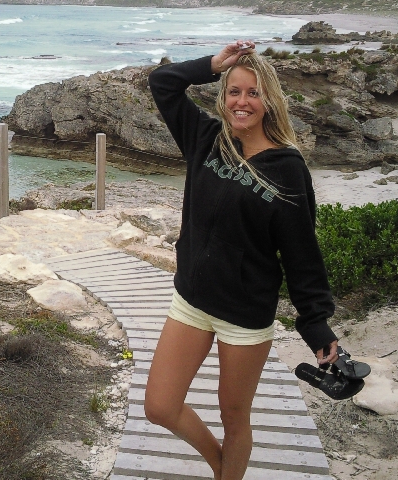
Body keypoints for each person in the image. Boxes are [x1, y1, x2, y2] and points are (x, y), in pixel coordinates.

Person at [144, 41, 339, 480]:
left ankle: (228, 471)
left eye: (253, 93)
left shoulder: (288, 170)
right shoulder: (206, 139)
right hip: (191, 302)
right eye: (234, 92)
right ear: (223, 96)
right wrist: (214, 64)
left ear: (268, 100)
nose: (242, 102)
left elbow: (301, 254)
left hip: (245, 318)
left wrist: (315, 322)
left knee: (234, 419)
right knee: (159, 405)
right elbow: (163, 82)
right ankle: (222, 467)